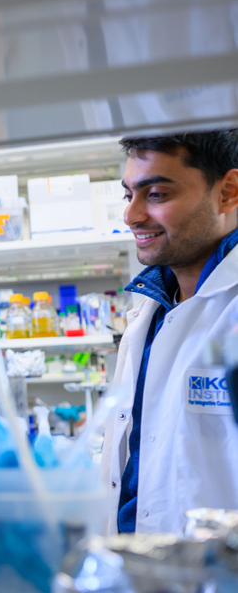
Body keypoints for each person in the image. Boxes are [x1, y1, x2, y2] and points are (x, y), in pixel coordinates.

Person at [101, 130, 238, 535]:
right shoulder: (150, 312)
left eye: (156, 194)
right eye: (129, 195)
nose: (131, 215)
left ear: (228, 191)